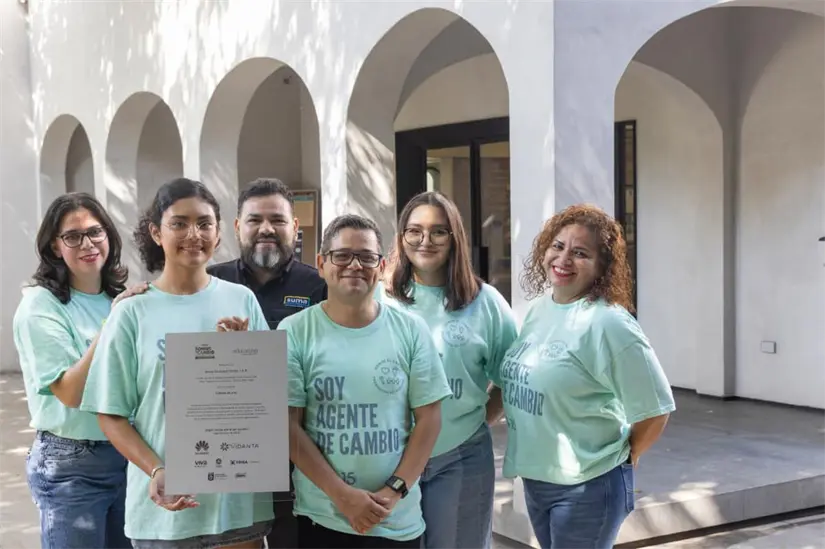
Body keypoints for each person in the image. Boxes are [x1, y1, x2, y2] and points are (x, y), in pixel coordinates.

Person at [78, 178, 274, 549]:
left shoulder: (241, 300)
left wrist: (244, 356)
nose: (193, 234)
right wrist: (157, 469)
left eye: (204, 223)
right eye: (179, 223)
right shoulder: (132, 312)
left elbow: (268, 401)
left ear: (219, 232)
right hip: (163, 513)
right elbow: (110, 414)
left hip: (236, 505)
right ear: (156, 232)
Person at [494, 204, 676, 549]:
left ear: (601, 267)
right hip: (538, 478)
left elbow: (656, 410)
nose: (563, 259)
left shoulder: (609, 323)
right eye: (558, 246)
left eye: (580, 253)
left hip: (587, 485)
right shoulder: (542, 309)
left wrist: (625, 457)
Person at [280, 213, 453, 549]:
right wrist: (342, 496)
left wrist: (395, 490)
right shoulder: (295, 331)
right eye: (342, 255)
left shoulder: (411, 330)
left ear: (382, 266)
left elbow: (429, 418)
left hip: (396, 520)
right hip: (324, 516)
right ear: (321, 264)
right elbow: (288, 426)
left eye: (366, 257)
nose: (355, 265)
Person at [378, 191, 518, 549]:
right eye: (414, 231)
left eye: (438, 231)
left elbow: (510, 378)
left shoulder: (485, 303)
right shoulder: (380, 299)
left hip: (461, 457)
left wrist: (476, 418)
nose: (425, 240)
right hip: (388, 459)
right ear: (401, 237)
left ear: (455, 237)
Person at [13, 192, 147, 549]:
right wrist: (112, 324)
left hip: (128, 454)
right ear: (55, 247)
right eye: (73, 236)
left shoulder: (117, 299)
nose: (87, 244)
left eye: (95, 232)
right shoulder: (40, 306)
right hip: (72, 464)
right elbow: (71, 392)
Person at [208, 177, 326, 549]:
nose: (266, 229)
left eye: (277, 219)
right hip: (229, 449)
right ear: (237, 226)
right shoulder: (210, 282)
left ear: (295, 226)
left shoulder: (318, 286)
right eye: (255, 219)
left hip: (298, 446)